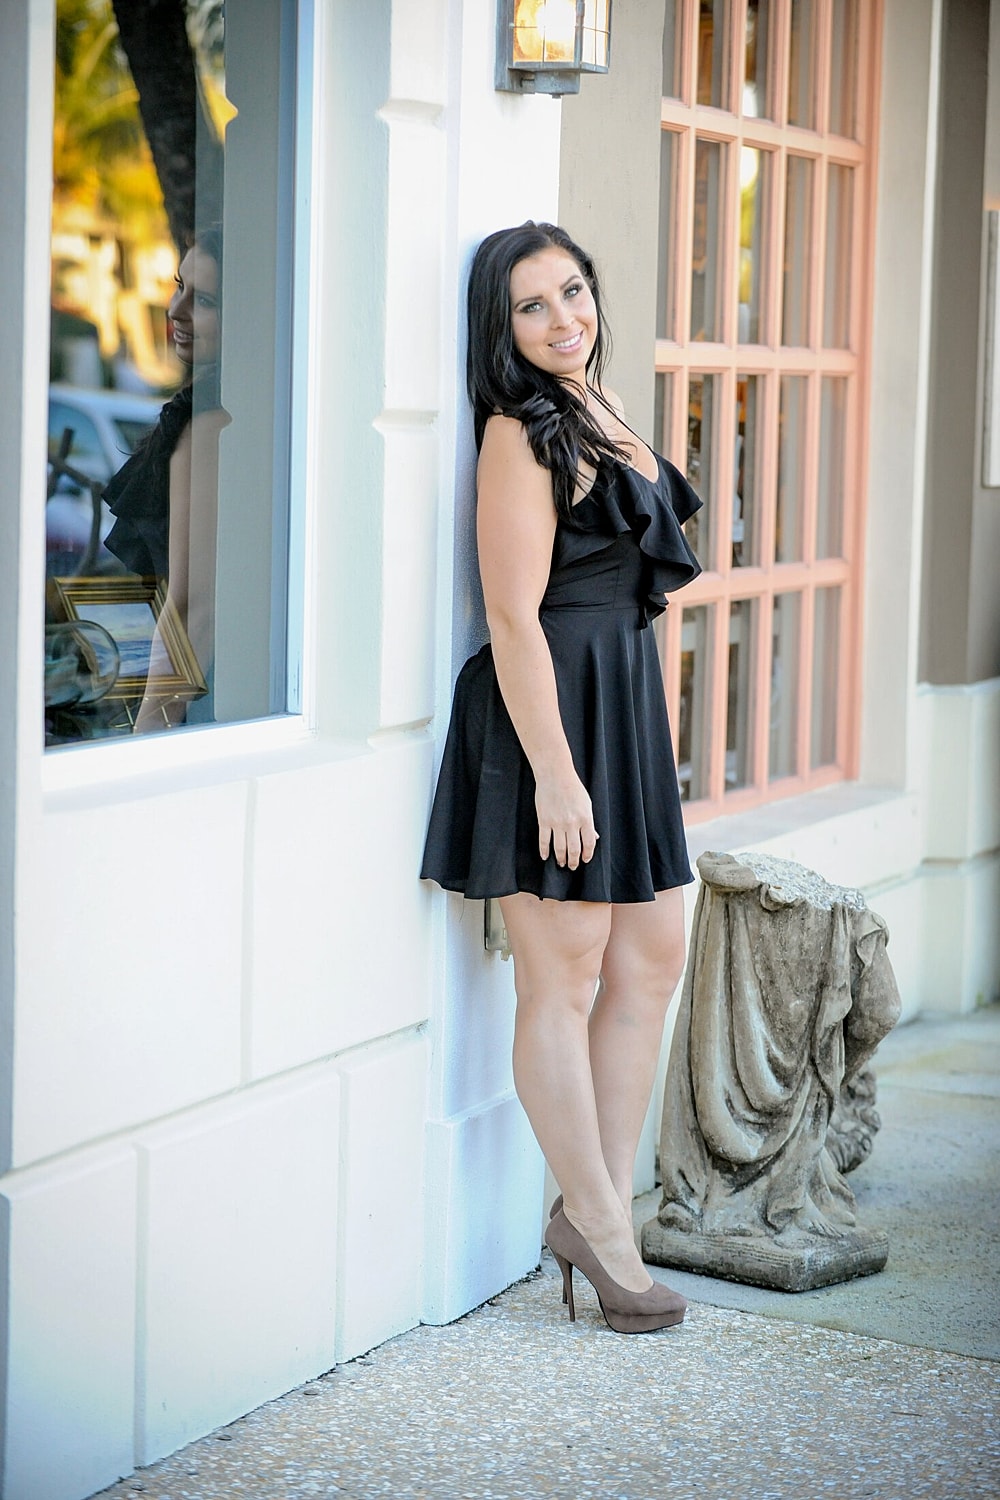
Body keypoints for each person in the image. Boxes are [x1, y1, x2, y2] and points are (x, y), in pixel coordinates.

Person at [420, 222, 703, 1335]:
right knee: (566, 976)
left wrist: (642, 755)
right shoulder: (514, 433)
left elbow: (640, 600)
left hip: (622, 713)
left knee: (653, 957)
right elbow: (508, 612)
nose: (561, 319)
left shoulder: (608, 411)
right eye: (531, 306)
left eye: (571, 292)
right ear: (502, 327)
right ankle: (599, 1227)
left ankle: (595, 1204)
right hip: (549, 717)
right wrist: (556, 776)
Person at [104, 227, 228, 729]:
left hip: (198, 707)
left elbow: (192, 607)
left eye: (207, 300)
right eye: (180, 285)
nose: (176, 310)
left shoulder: (210, 426)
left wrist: (149, 732)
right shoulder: (208, 414)